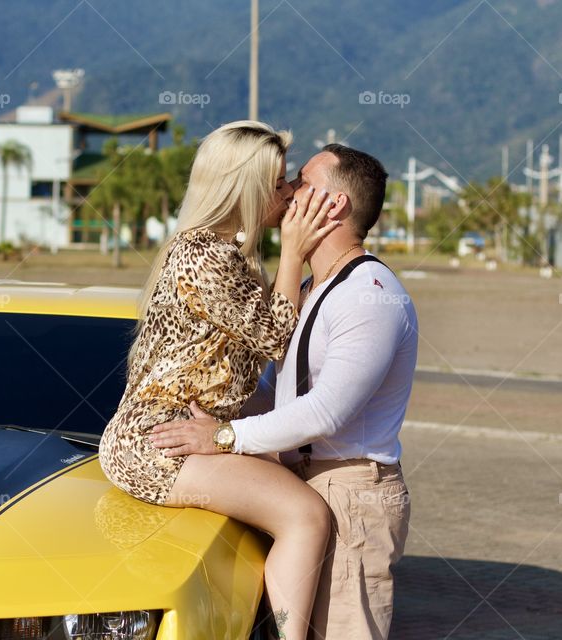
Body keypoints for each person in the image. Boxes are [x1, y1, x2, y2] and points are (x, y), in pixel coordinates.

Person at [150, 144, 418, 639]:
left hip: (350, 491)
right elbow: (282, 394)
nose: (288, 190)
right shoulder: (320, 286)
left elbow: (326, 411)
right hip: (309, 481)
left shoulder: (369, 295)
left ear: (333, 205)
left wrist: (224, 438)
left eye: (301, 180)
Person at [99, 121, 341, 640]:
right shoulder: (205, 257)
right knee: (306, 517)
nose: (291, 192)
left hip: (178, 428)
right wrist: (296, 251)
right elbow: (276, 337)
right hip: (157, 441)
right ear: (247, 188)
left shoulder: (219, 253)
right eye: (280, 183)